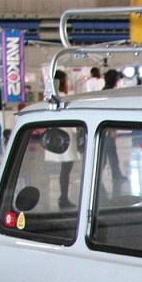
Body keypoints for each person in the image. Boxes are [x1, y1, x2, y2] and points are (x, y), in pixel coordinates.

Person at [47, 70, 78, 207]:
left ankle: (63, 196)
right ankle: (63, 197)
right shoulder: (64, 97)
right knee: (66, 168)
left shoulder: (50, 97)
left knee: (64, 169)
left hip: (56, 134)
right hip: (66, 135)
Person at [101, 69, 126, 189]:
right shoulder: (109, 93)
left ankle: (115, 173)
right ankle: (114, 174)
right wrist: (111, 130)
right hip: (107, 129)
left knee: (109, 153)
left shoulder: (104, 92)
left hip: (106, 128)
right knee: (109, 153)